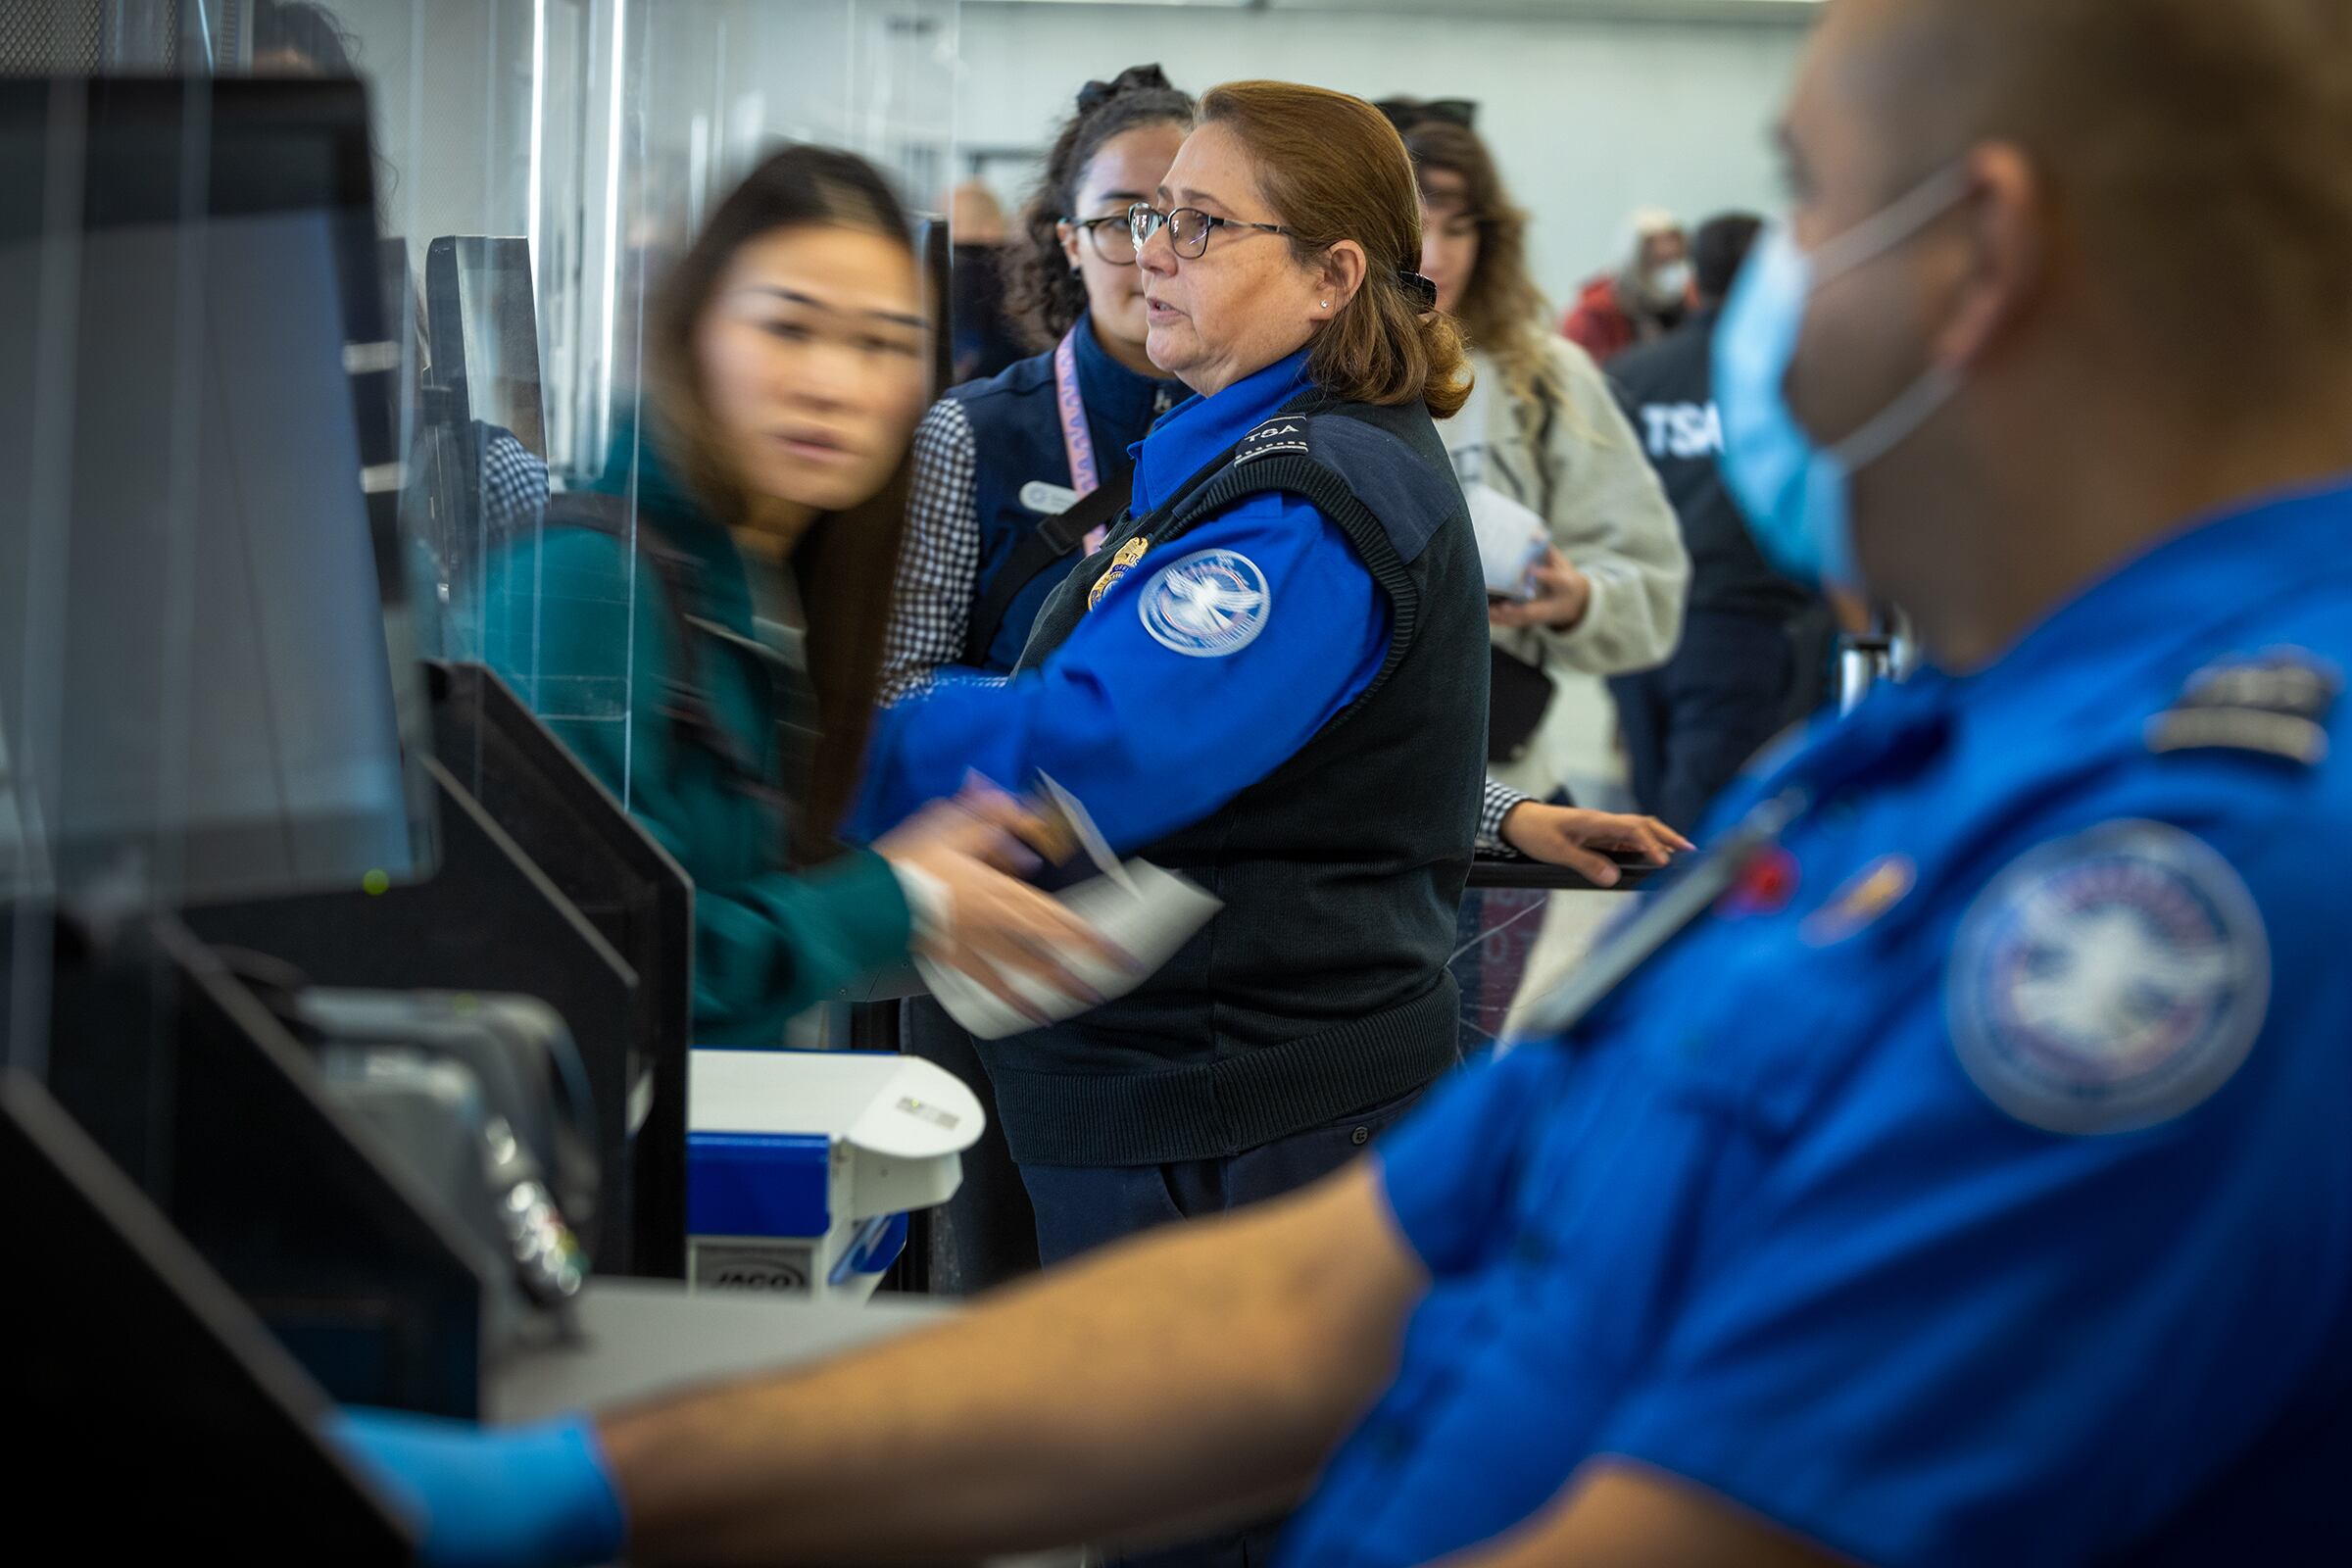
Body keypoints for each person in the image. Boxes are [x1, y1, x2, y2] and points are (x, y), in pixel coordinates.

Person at [343, 2, 2352, 1560]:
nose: (1751, 299)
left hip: (1236, 1062)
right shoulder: (1906, 778)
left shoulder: (2189, 894)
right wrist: (599, 1487)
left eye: (1810, 201)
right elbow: (1314, 1301)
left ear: (1977, 255)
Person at [468, 145, 1113, 1048]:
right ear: (694, 333)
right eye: (789, 328)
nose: (834, 385)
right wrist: (902, 897)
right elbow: (587, 951)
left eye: (882, 344)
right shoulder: (589, 584)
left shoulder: (768, 578)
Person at [883, 65, 1196, 1297]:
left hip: (1192, 957)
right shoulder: (975, 430)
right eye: (1122, 215)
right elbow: (893, 685)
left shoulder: (1267, 433)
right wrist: (1066, 742)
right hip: (1000, 928)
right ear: (1070, 239)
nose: (1154, 247)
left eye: (1191, 215)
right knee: (994, 1293)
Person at [1403, 114, 1691, 855]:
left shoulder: (1547, 377)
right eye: (1414, 223)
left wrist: (1577, 602)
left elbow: (1652, 587)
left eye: (1460, 228)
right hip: (1334, 799)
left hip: (1503, 793)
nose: (1436, 254)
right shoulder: (1300, 372)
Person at [1607, 212, 1833, 832]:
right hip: (1741, 624)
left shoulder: (1630, 375)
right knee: (1705, 829)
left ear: (1692, 282)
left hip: (1636, 628)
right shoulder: (1776, 379)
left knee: (1654, 816)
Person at [1559, 207, 1690, 365]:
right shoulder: (1595, 313)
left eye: (1673, 241)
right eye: (1651, 244)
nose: (1666, 251)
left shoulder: (1689, 302)